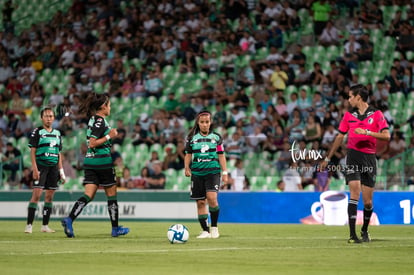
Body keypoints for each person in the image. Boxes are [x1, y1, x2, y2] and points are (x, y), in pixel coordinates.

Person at [320, 84, 390, 244]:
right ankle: (352, 235)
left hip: (369, 158)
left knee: (367, 202)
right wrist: (328, 158)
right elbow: (339, 137)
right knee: (354, 193)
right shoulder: (348, 115)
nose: (348, 99)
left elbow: (386, 136)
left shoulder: (377, 114)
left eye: (350, 96)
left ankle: (364, 230)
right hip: (352, 156)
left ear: (359, 97)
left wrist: (366, 132)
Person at [61, 93, 129, 238]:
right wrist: (110, 136)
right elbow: (92, 143)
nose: (110, 107)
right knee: (111, 195)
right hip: (102, 162)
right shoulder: (101, 122)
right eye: (109, 105)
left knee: (88, 195)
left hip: (90, 162)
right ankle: (115, 229)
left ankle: (69, 219)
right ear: (103, 107)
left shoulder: (93, 120)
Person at [184, 110, 228, 239]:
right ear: (198, 123)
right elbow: (188, 154)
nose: (204, 124)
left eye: (207, 122)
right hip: (197, 173)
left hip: (213, 172)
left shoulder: (217, 138)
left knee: (212, 198)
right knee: (200, 203)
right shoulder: (191, 138)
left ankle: (214, 228)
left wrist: (225, 172)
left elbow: (221, 155)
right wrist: (186, 167)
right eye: (202, 122)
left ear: (210, 123)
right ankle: (205, 231)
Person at [24, 107, 66, 234]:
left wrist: (61, 171)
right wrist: (35, 169)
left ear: (54, 118)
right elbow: (33, 152)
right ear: (41, 118)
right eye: (46, 116)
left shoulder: (58, 133)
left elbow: (59, 153)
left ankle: (45, 226)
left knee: (49, 197)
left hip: (53, 168)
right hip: (41, 166)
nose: (49, 118)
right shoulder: (37, 131)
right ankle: (29, 225)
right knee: (36, 195)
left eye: (51, 116)